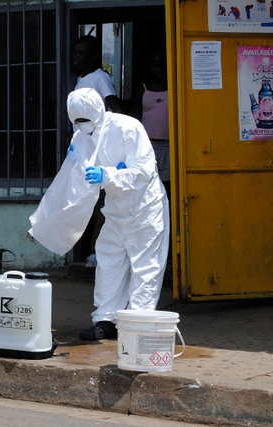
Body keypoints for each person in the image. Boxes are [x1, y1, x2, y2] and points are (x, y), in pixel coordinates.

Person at [66, 88, 169, 341]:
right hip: (114, 210)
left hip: (144, 209)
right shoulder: (81, 136)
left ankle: (137, 323)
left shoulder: (127, 127)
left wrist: (109, 174)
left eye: (84, 120)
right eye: (76, 121)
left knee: (145, 268)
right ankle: (106, 320)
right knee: (108, 263)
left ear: (98, 111)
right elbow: (76, 173)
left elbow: (144, 171)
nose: (82, 125)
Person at [71, 35, 123, 267]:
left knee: (102, 204)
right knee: (87, 203)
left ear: (92, 56)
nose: (75, 57)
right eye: (75, 52)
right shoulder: (80, 79)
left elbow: (115, 108)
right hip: (81, 152)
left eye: (81, 53)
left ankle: (98, 253)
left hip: (97, 153)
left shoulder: (100, 78)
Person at [132, 51, 170, 202]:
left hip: (170, 146)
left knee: (167, 187)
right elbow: (135, 119)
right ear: (150, 67)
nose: (160, 70)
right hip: (148, 146)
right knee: (149, 185)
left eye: (163, 66)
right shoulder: (141, 90)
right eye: (156, 66)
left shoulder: (175, 87)